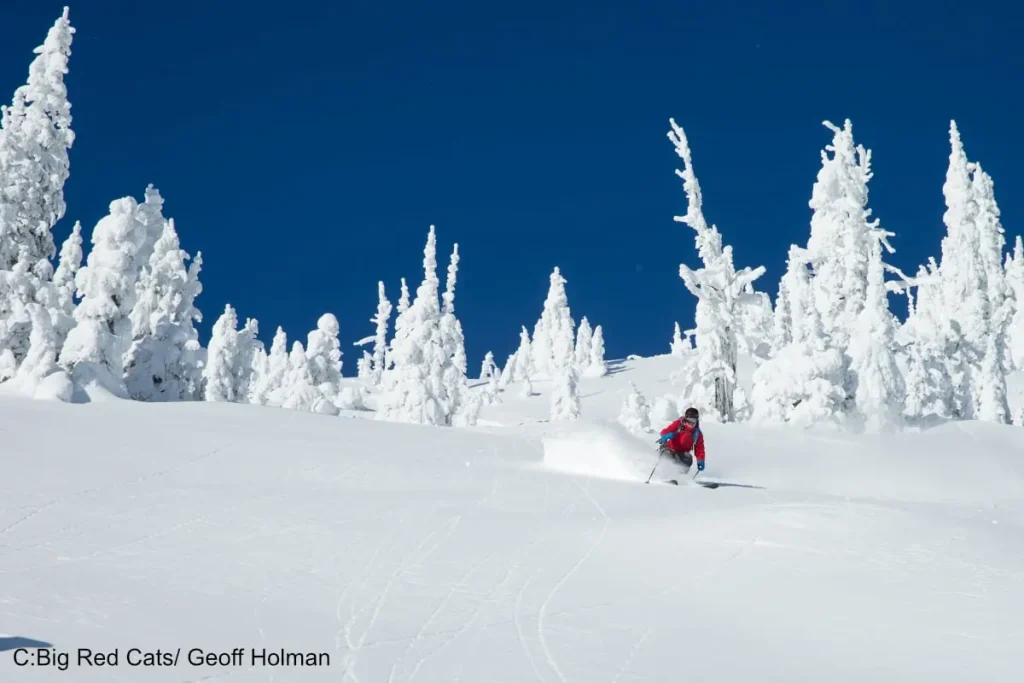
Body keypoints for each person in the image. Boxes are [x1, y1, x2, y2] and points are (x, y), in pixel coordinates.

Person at [657, 407, 705, 473]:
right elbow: (664, 432)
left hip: (681, 454)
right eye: (689, 421)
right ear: (685, 419)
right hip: (669, 449)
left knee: (688, 458)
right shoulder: (678, 424)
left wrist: (700, 460)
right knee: (667, 456)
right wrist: (666, 436)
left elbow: (700, 448)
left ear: (697, 420)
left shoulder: (697, 433)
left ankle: (679, 477)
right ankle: (662, 473)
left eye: (693, 421)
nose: (691, 424)